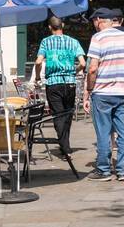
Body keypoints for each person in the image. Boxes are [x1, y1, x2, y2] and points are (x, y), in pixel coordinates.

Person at [84, 8, 124, 181]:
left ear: (98, 20)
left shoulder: (98, 38)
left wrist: (90, 90)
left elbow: (92, 68)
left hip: (102, 93)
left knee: (104, 133)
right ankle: (123, 170)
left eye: (93, 22)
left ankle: (104, 170)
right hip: (121, 93)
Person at [32, 15, 85, 156]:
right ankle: (65, 145)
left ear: (50, 27)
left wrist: (37, 77)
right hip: (70, 82)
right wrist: (74, 71)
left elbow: (38, 62)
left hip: (53, 83)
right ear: (63, 26)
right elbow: (83, 63)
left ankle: (65, 146)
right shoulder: (73, 42)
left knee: (58, 115)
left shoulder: (45, 42)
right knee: (67, 114)